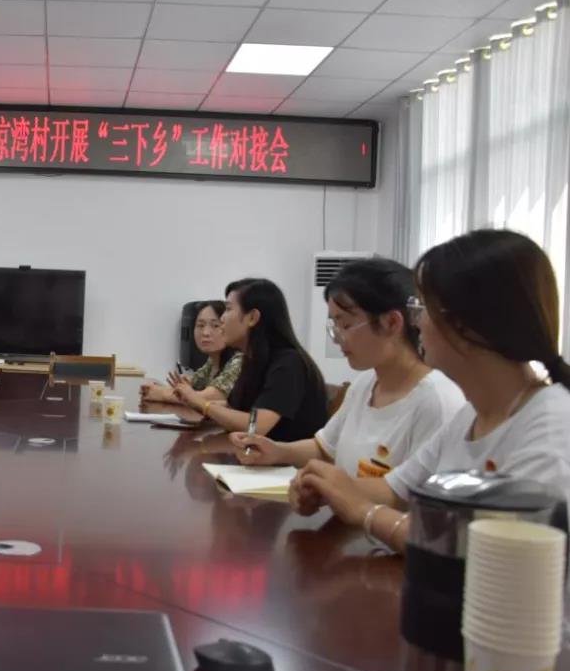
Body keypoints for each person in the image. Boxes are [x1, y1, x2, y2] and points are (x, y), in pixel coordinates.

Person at [292, 230, 570, 552]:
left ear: (467, 325)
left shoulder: (550, 429)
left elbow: (490, 551)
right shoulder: (471, 415)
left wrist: (366, 512)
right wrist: (327, 488)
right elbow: (396, 489)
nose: (417, 322)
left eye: (423, 307)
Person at [229, 258, 464, 477]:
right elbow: (324, 449)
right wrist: (276, 451)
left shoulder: (436, 403)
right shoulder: (366, 385)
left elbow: (419, 501)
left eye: (346, 325)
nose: (337, 338)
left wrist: (337, 490)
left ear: (391, 323)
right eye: (334, 326)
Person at [197, 278, 328, 441]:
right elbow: (235, 408)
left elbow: (256, 426)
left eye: (228, 309)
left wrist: (203, 404)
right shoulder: (252, 359)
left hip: (285, 457)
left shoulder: (289, 363)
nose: (222, 318)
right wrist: (195, 402)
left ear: (252, 317)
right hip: (253, 454)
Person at [141, 300, 242, 407]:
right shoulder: (213, 361)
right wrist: (158, 388)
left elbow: (209, 397)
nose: (205, 333)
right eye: (200, 325)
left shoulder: (239, 361)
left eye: (215, 325)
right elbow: (190, 384)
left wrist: (163, 394)